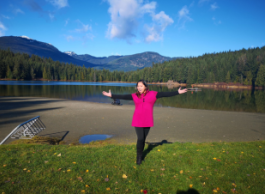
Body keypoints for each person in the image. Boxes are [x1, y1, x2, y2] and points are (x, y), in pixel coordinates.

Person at [102, 80, 187, 165]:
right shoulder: (135, 95)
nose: (139, 88)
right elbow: (124, 96)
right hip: (137, 120)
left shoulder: (153, 94)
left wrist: (178, 92)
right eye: (138, 86)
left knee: (143, 139)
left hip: (148, 120)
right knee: (141, 138)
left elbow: (165, 94)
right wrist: (111, 95)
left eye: (141, 86)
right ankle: (139, 158)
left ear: (145, 86)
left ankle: (141, 155)